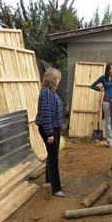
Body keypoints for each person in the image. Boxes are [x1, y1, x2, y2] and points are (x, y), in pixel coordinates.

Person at [35, 67, 65, 197]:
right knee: (53, 157)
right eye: (58, 78)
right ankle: (56, 189)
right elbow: (47, 115)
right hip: (49, 128)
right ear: (52, 79)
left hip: (52, 127)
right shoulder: (47, 93)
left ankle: (50, 182)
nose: (59, 81)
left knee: (51, 155)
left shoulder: (50, 92)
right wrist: (50, 134)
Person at [91, 62, 112, 148]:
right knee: (108, 122)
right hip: (106, 101)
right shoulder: (102, 78)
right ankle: (110, 140)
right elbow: (92, 86)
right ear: (107, 70)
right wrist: (99, 89)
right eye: (109, 69)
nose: (111, 70)